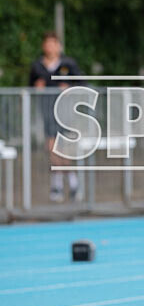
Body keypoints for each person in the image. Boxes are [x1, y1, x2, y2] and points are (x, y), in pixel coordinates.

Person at [29, 32, 83, 202]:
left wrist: (69, 88)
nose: (50, 47)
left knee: (64, 149)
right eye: (47, 43)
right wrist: (36, 88)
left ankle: (72, 181)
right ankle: (58, 183)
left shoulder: (68, 64)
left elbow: (82, 83)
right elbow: (30, 85)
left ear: (59, 46)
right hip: (47, 112)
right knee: (52, 148)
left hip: (66, 113)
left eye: (53, 43)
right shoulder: (38, 66)